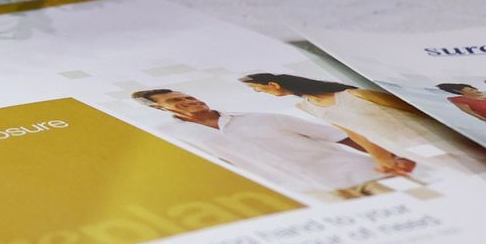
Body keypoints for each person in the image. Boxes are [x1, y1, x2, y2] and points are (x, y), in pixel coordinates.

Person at [132, 87, 410, 202]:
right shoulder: (176, 137)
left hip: (362, 175)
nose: (189, 102)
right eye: (177, 101)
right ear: (161, 109)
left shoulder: (263, 117)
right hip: (304, 195)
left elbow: (340, 136)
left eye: (189, 96)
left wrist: (391, 158)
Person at [243, 72, 479, 175]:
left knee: (476, 162)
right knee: (465, 171)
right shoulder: (306, 106)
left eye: (257, 88)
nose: (258, 92)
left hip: (431, 136)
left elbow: (414, 109)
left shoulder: (355, 94)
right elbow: (353, 133)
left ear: (273, 84)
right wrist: (381, 158)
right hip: (404, 147)